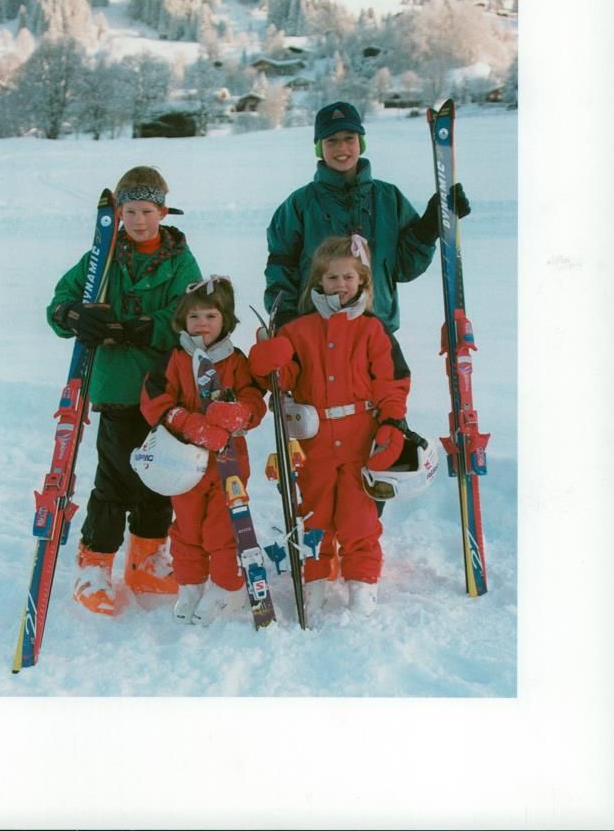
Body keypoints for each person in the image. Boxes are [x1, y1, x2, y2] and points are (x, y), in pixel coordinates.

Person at [47, 166, 202, 614]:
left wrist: (144, 326)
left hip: (163, 388)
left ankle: (147, 559)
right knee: (115, 478)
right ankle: (94, 565)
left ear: (163, 211)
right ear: (118, 213)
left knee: (159, 476)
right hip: (115, 385)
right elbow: (60, 300)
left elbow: (189, 311)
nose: (138, 221)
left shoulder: (179, 260)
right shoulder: (103, 256)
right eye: (130, 211)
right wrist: (74, 315)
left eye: (147, 211)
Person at [249, 234, 411, 620]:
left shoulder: (373, 330)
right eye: (332, 278)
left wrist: (391, 422)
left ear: (362, 283)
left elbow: (392, 382)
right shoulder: (298, 330)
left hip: (361, 439)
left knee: (360, 516)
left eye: (348, 277)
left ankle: (362, 583)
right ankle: (314, 580)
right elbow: (282, 379)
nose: (340, 285)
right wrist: (268, 357)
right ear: (318, 282)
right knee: (313, 513)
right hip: (313, 441)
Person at [264, 100, 470, 331]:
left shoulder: (388, 198)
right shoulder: (299, 205)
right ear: (319, 148)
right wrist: (285, 316)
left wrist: (430, 226)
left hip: (377, 330)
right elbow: (280, 268)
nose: (341, 148)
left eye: (349, 139)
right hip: (315, 333)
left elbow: (404, 267)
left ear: (360, 143)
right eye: (331, 141)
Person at [140, 276, 267, 626]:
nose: (202, 324)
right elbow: (153, 399)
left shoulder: (236, 360)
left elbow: (255, 398)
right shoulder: (174, 358)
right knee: (187, 529)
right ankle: (191, 585)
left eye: (210, 316)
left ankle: (230, 590)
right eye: (194, 317)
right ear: (183, 321)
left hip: (228, 463)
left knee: (222, 529)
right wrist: (187, 422)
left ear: (224, 320)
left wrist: (241, 411)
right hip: (183, 464)